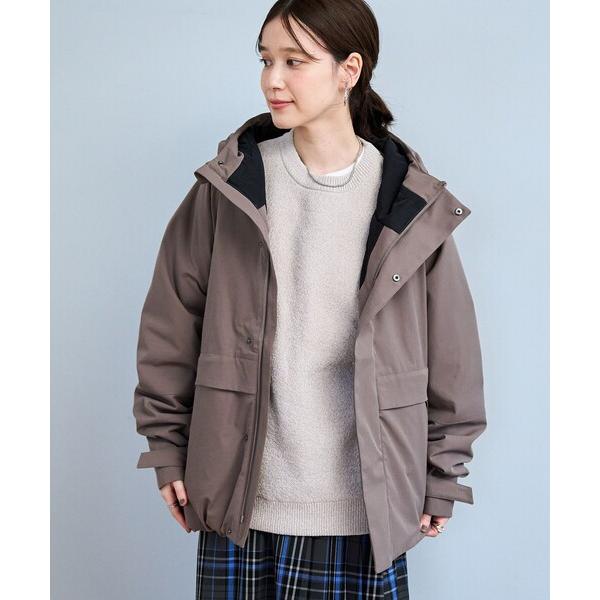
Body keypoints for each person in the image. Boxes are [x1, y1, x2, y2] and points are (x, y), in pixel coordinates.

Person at [133, 1, 487, 598]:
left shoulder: (408, 203)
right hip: (240, 503)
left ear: (349, 70)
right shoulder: (229, 189)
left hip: (365, 508)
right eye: (265, 60)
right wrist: (167, 448)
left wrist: (443, 474)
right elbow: (171, 325)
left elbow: (452, 353)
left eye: (294, 62)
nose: (273, 79)